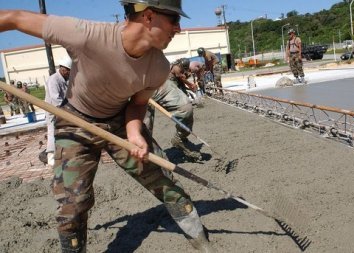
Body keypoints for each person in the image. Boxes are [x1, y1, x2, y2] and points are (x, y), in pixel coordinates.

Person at [0, 1, 214, 253]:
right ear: (148, 16)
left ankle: (202, 243)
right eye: (174, 20)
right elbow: (14, 16)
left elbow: (138, 104)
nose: (178, 28)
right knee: (72, 205)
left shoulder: (158, 67)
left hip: (117, 120)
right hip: (75, 122)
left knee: (164, 181)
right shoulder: (87, 35)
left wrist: (134, 132)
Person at [148, 57, 202, 161]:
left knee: (186, 108)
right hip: (147, 89)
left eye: (184, 71)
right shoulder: (167, 70)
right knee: (144, 126)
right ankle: (148, 153)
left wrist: (189, 84)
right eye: (182, 70)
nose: (183, 73)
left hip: (163, 90)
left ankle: (179, 138)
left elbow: (181, 77)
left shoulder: (172, 70)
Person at [44, 58, 72, 167]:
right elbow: (56, 99)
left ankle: (64, 153)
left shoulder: (66, 79)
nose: (70, 73)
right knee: (52, 130)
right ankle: (50, 157)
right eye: (69, 71)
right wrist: (68, 110)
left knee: (65, 130)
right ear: (63, 69)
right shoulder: (53, 80)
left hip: (62, 110)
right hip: (53, 110)